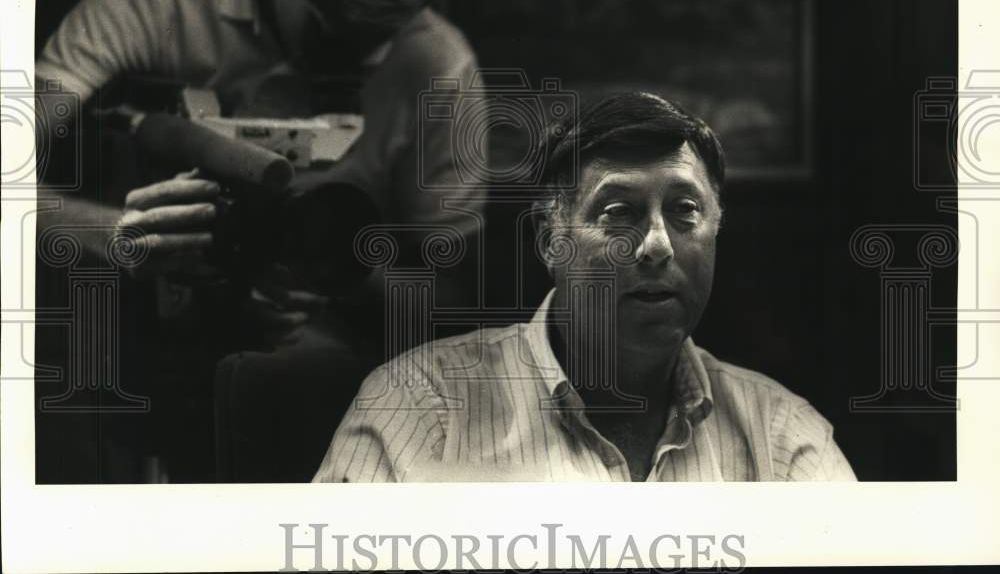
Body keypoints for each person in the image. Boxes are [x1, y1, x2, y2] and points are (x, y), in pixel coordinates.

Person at [34, 0, 482, 481]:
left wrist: (341, 272)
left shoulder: (436, 61)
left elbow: (454, 299)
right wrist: (115, 237)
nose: (362, 65)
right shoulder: (152, 3)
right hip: (141, 350)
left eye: (385, 38)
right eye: (335, 35)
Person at [313, 92, 856, 482]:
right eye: (619, 213)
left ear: (716, 231)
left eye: (685, 210)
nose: (657, 245)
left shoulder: (781, 436)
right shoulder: (417, 411)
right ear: (551, 241)